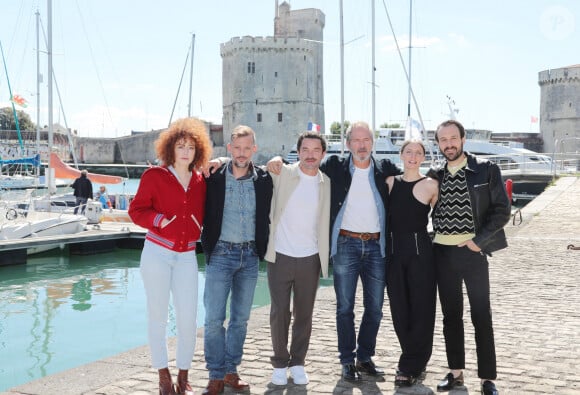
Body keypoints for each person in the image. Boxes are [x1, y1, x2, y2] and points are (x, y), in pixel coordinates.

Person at [268, 121, 401, 381]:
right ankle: (347, 360)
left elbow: (412, 173)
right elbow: (300, 165)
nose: (361, 146)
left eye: (366, 141)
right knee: (344, 308)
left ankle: (364, 357)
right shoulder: (335, 168)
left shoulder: (385, 169)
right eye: (356, 141)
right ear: (348, 144)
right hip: (345, 245)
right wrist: (276, 158)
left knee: (374, 307)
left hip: (376, 246)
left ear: (372, 144)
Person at [128, 117, 212, 395]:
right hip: (157, 253)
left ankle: (184, 376)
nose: (185, 151)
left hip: (187, 256)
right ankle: (163, 376)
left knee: (188, 319)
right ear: (170, 149)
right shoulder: (155, 176)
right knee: (158, 316)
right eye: (180, 146)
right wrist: (159, 219)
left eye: (190, 146)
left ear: (197, 150)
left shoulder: (201, 180)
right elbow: (136, 211)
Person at [430, 120, 510, 395]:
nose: (449, 144)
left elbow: (501, 211)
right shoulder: (435, 174)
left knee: (481, 315)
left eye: (453, 138)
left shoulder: (486, 170)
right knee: (451, 316)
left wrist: (479, 241)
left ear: (463, 139)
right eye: (443, 139)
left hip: (473, 254)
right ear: (438, 143)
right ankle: (455, 373)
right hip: (442, 253)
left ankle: (488, 378)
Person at [200, 125, 273, 395]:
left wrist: (277, 161)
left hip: (250, 256)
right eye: (237, 148)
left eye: (247, 148)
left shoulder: (264, 179)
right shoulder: (214, 176)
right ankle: (215, 375)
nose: (241, 153)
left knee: (240, 320)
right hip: (220, 254)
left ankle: (231, 371)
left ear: (254, 149)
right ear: (229, 148)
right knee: (213, 320)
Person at [265, 132, 331, 386]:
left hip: (310, 258)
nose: (311, 154)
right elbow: (250, 169)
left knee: (304, 314)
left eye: (316, 150)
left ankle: (298, 362)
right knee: (279, 312)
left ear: (323, 154)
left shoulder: (326, 183)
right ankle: (280, 363)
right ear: (299, 151)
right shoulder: (282, 173)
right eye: (306, 149)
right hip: (280, 254)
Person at [385, 140, 438, 387]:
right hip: (394, 253)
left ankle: (410, 365)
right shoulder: (389, 183)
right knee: (400, 311)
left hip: (421, 252)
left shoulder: (431, 185)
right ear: (401, 155)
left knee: (422, 310)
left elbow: (444, 221)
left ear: (424, 157)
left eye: (418, 153)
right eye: (409, 152)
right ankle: (412, 357)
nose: (413, 156)